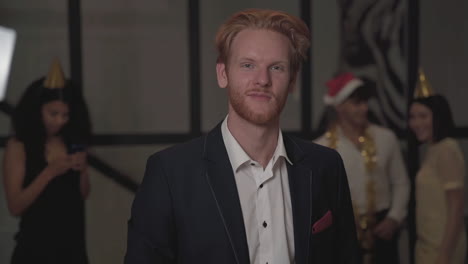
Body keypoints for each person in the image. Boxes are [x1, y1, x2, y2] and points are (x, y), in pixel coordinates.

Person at [125, 9, 358, 264]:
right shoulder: (170, 173)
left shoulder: (326, 166)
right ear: (223, 74)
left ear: (292, 81)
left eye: (277, 68)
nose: (262, 80)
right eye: (248, 65)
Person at [2, 59, 92, 264]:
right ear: (37, 110)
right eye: (53, 114)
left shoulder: (71, 141)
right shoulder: (19, 146)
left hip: (72, 248)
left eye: (65, 115)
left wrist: (83, 170)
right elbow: (15, 206)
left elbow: (83, 194)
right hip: (35, 249)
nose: (60, 121)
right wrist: (49, 173)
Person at [315, 72, 410, 264]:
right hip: (344, 231)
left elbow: (401, 182)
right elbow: (319, 196)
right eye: (356, 103)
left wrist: (394, 218)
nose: (364, 108)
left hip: (383, 228)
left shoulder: (386, 138)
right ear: (340, 106)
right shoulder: (322, 146)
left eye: (365, 102)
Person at [409, 72, 466, 264]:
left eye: (423, 116)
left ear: (438, 116)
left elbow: (457, 207)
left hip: (442, 248)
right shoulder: (432, 149)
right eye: (413, 117)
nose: (416, 123)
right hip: (428, 244)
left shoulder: (446, 149)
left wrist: (444, 254)